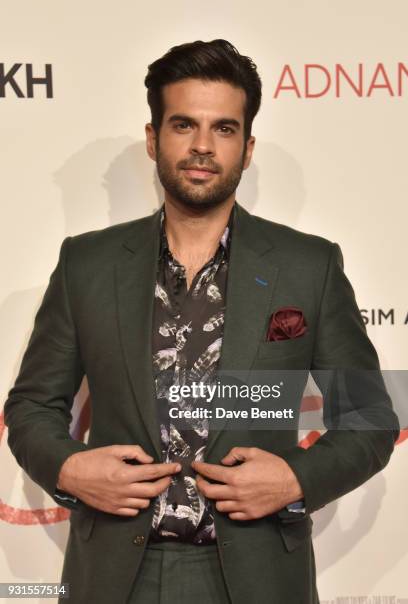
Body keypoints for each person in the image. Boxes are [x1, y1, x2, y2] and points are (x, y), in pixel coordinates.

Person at [4, 39, 400, 604]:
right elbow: (30, 407)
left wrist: (296, 480)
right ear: (152, 138)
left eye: (224, 129)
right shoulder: (85, 264)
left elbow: (369, 417)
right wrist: (69, 470)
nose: (202, 146)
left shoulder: (307, 266)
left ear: (248, 145)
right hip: (114, 575)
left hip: (259, 574)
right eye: (184, 124)